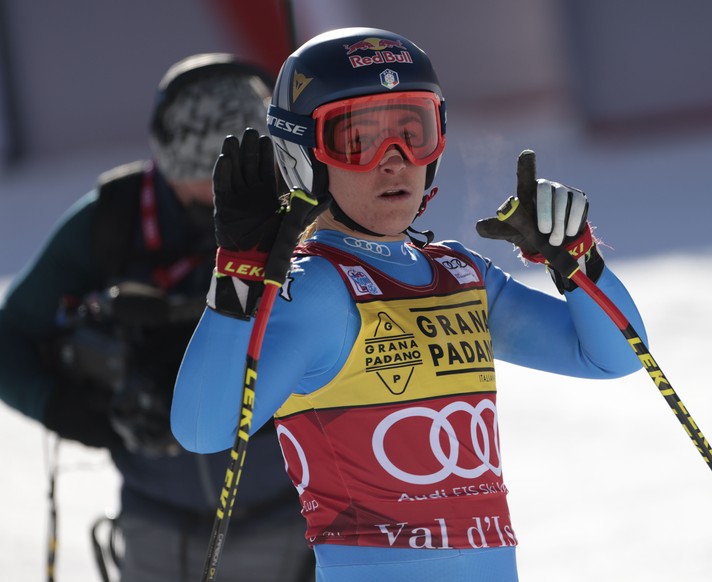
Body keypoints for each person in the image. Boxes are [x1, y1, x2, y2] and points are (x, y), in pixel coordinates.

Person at [171, 28, 648, 582]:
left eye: (411, 132)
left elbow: (613, 356)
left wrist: (579, 264)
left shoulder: (460, 275)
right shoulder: (320, 289)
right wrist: (238, 282)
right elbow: (203, 430)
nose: (394, 161)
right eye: (357, 139)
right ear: (304, 156)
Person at [0, 53, 315, 581]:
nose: (231, 200)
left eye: (255, 177)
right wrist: (68, 410)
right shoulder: (111, 222)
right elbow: (10, 338)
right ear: (173, 162)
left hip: (291, 522)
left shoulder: (301, 216)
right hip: (157, 529)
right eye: (214, 180)